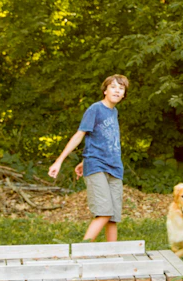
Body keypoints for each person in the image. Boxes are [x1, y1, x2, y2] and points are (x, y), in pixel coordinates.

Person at [48, 75, 129, 241]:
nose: (117, 90)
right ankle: (82, 251)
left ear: (123, 95)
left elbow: (101, 140)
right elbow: (80, 135)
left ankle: (112, 256)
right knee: (104, 212)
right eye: (113, 87)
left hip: (115, 168)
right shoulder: (95, 109)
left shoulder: (114, 112)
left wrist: (83, 160)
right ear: (105, 91)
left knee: (113, 217)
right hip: (97, 166)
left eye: (121, 89)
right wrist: (59, 161)